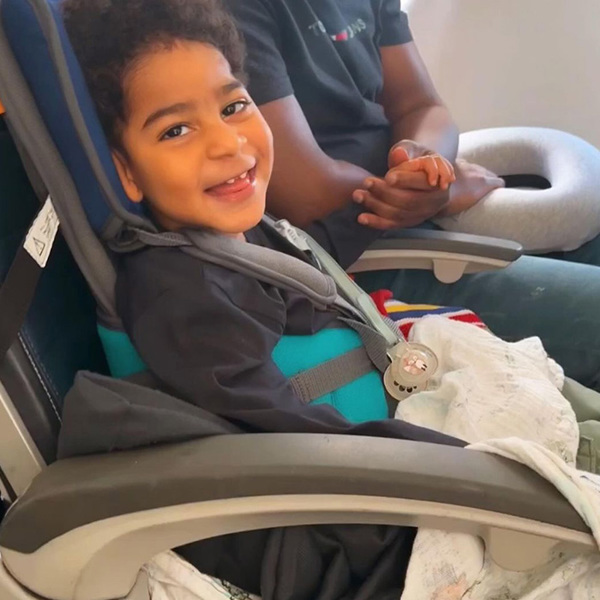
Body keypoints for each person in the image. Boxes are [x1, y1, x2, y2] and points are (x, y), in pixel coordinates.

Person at [60, 0, 466, 596]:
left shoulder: (233, 238)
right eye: (176, 129)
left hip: (388, 443)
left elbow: (305, 283)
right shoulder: (181, 294)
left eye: (233, 106)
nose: (227, 143)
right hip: (358, 513)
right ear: (126, 173)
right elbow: (283, 437)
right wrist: (458, 461)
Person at [223, 0, 600, 392]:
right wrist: (439, 190)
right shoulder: (237, 11)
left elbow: (420, 105)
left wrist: (428, 161)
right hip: (349, 251)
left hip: (404, 199)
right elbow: (308, 194)